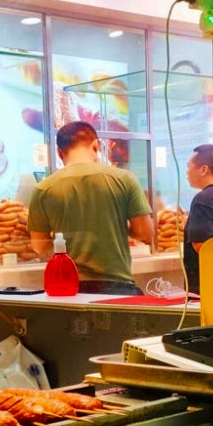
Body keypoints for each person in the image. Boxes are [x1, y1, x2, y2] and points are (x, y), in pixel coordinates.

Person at [28, 121, 154, 295]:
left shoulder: (44, 189)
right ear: (96, 146)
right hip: (118, 286)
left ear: (59, 152)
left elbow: (39, 246)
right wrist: (115, 226)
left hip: (68, 289)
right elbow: (146, 233)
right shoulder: (124, 179)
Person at [183, 144, 213, 295]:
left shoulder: (202, 199)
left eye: (188, 166)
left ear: (203, 169)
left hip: (204, 289)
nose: (186, 172)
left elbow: (203, 247)